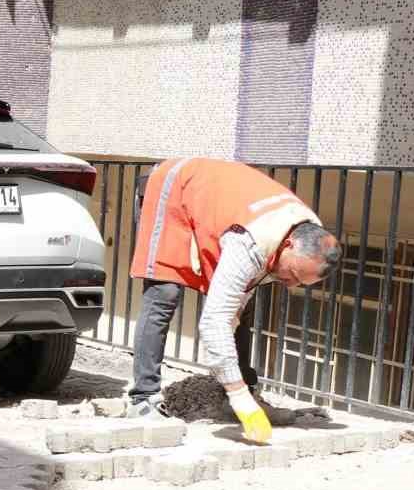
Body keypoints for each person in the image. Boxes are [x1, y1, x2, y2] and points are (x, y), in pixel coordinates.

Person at [128, 157, 341, 442]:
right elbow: (214, 323)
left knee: (242, 311)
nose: (290, 286)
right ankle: (144, 397)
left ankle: (240, 395)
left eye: (300, 283)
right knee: (164, 291)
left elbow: (237, 301)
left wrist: (236, 313)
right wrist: (239, 396)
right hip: (176, 188)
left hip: (223, 207)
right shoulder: (252, 241)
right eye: (292, 274)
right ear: (288, 245)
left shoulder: (307, 232)